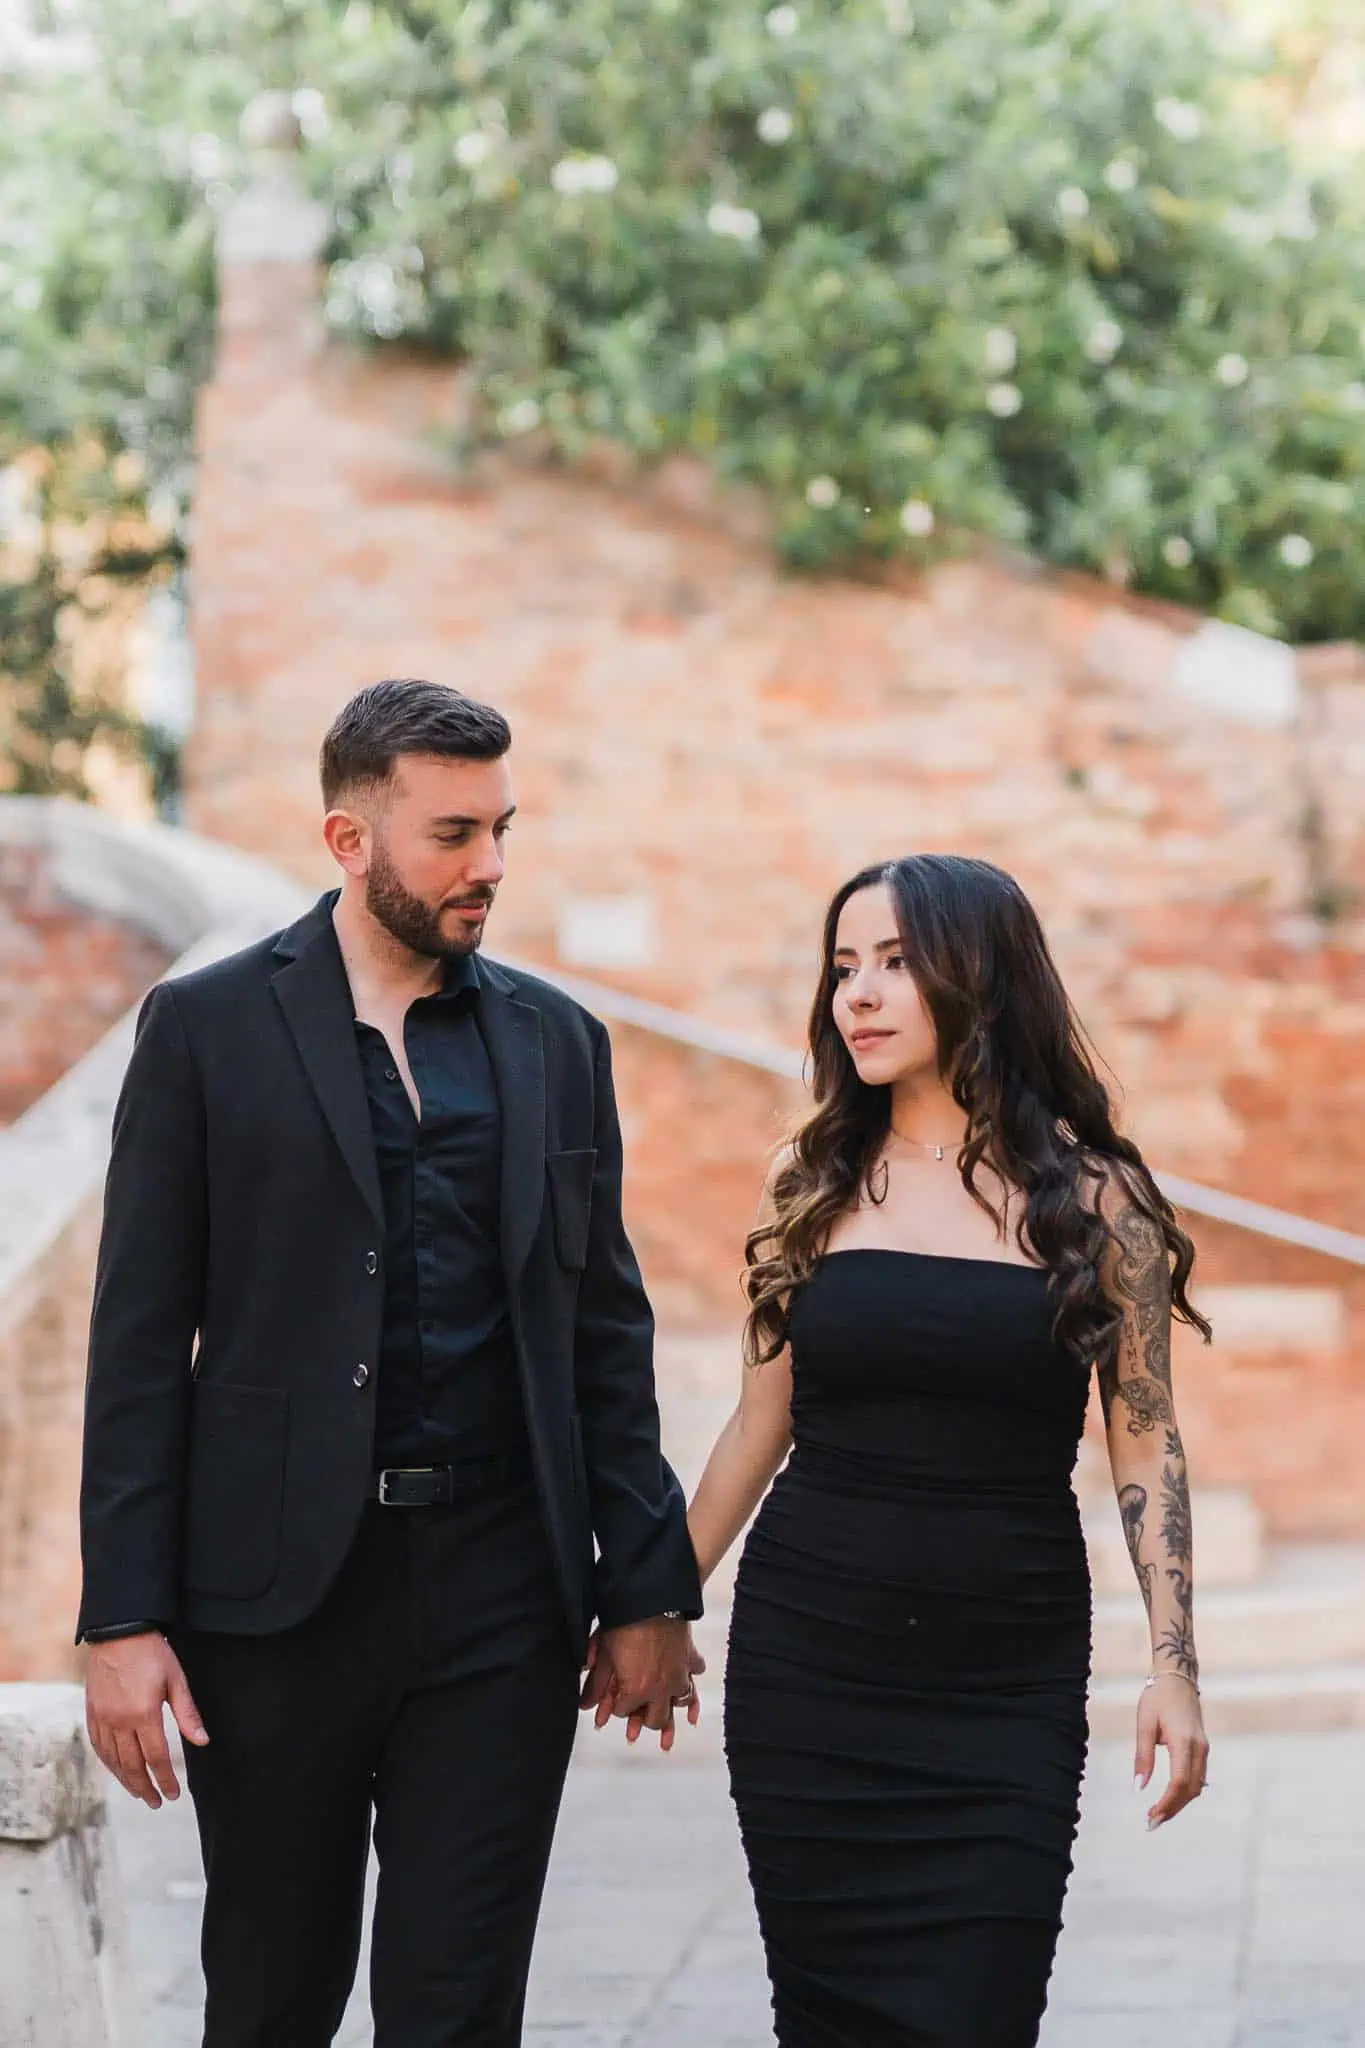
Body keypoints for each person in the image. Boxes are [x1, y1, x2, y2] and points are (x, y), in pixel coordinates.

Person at [76, 678, 703, 2048]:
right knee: (269, 1997)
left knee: (460, 2005)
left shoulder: (557, 1044)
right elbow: (135, 1342)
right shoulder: (206, 1032)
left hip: (498, 1595)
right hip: (272, 1604)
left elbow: (605, 1328)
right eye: (451, 834)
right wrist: (120, 1618)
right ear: (348, 842)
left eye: (501, 829)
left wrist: (647, 1584)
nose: (488, 866)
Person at [683, 853, 1212, 2048]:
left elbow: (1144, 1438)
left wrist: (1176, 1665)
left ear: (979, 976)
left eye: (893, 963)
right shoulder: (810, 1180)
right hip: (811, 1672)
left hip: (1003, 1682)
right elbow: (755, 1426)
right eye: (841, 968)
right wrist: (653, 1606)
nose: (856, 996)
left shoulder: (1094, 1196)